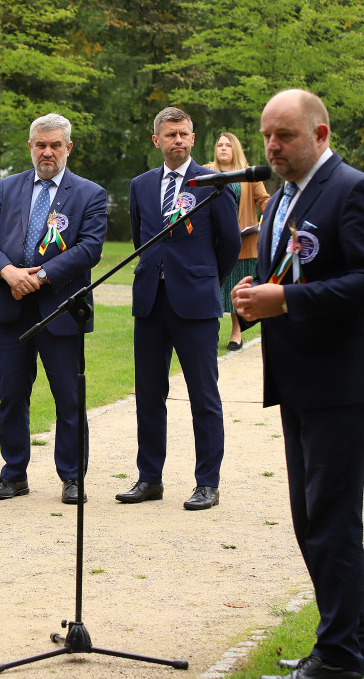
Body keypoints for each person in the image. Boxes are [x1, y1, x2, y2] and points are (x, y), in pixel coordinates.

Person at [233, 89, 364, 679]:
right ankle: (357, 646)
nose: (272, 147)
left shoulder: (355, 190)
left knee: (328, 520)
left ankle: (336, 658)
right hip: (299, 380)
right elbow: (282, 273)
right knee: (315, 520)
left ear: (321, 135)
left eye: (286, 136)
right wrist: (255, 299)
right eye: (267, 136)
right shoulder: (280, 199)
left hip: (344, 382)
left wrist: (287, 299)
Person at [0, 113, 108, 504]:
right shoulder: (9, 187)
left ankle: (72, 477)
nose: (47, 152)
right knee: (12, 395)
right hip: (11, 308)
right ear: (30, 147)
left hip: (61, 310)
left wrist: (42, 275)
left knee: (69, 397)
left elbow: (90, 249)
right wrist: (10, 273)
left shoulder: (90, 194)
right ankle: (13, 474)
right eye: (40, 145)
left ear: (68, 148)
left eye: (54, 145)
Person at [116, 107, 240, 511]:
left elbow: (230, 245)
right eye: (170, 135)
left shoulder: (213, 183)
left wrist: (204, 281)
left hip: (196, 305)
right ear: (157, 140)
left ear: (192, 137)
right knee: (149, 394)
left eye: (184, 134)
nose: (178, 141)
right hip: (151, 302)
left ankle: (207, 482)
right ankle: (149, 478)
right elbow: (143, 238)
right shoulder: (141, 185)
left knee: (204, 395)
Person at [204, 131, 271, 350]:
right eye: (219, 144)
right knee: (213, 287)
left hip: (243, 241)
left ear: (236, 149)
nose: (223, 148)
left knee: (236, 286)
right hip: (212, 242)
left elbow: (264, 200)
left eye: (228, 145)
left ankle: (236, 330)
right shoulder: (206, 171)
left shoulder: (248, 174)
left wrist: (273, 217)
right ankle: (207, 331)